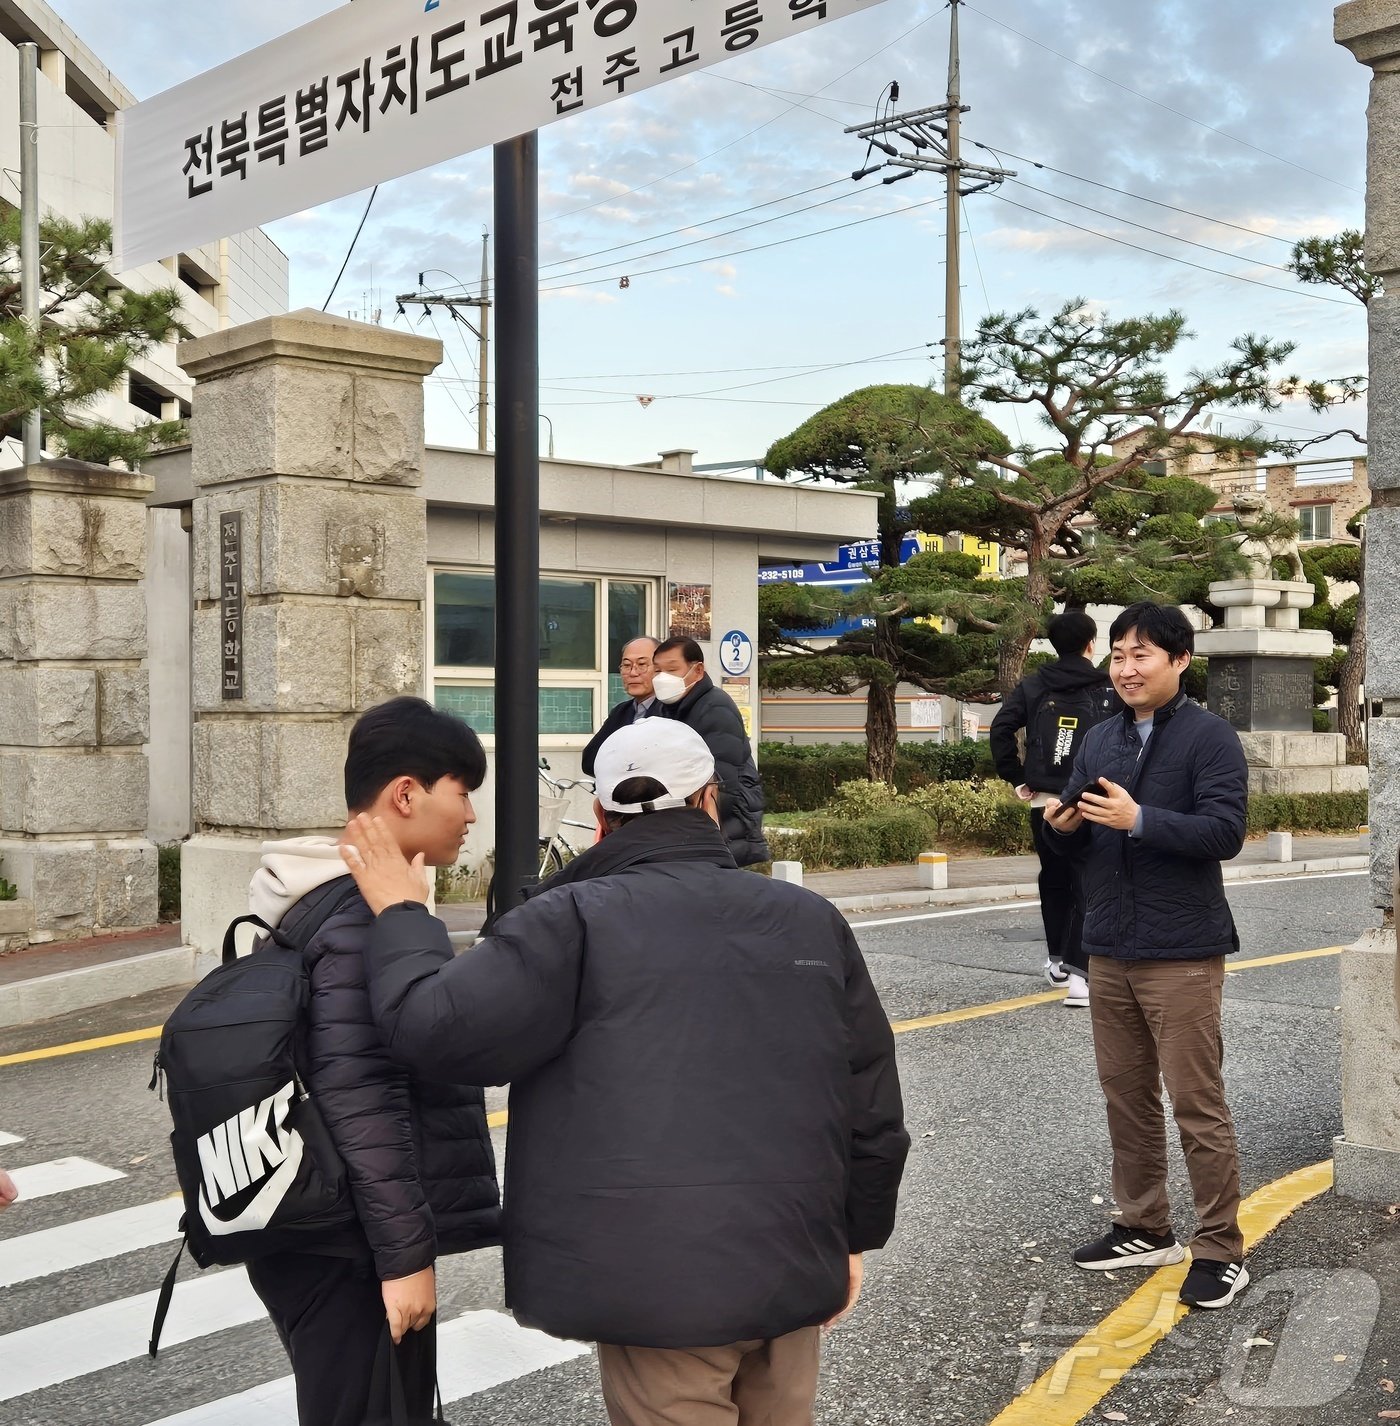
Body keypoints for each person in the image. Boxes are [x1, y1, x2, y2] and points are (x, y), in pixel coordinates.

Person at [339, 718, 910, 1426]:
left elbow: (432, 1028)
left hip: (657, 1291)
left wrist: (399, 911)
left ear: (602, 818)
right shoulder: (808, 919)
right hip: (794, 1263)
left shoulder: (569, 919)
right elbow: (873, 1106)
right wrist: (852, 1237)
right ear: (710, 801)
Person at [246, 696, 502, 1426]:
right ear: (406, 793)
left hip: (315, 1228)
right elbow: (362, 1098)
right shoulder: (362, 918)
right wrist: (403, 1260)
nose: (472, 816)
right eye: (464, 792)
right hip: (349, 1247)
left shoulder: (311, 898)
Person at [1043, 602, 1249, 1310]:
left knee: (1198, 1104)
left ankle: (1220, 1248)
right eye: (1119, 655)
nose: (1127, 668)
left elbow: (1225, 833)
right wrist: (1062, 825)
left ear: (1181, 660)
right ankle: (1144, 1225)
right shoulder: (1099, 739)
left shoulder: (1210, 738)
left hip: (1183, 948)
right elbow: (1079, 836)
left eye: (1142, 655)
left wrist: (1142, 820)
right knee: (1126, 1096)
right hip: (1109, 944)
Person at [990, 610, 1119, 1008]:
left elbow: (1000, 730)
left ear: (1052, 643)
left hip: (1046, 801)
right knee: (1088, 880)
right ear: (1091, 644)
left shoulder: (1034, 684)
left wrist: (1018, 776)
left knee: (1054, 878)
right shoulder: (1107, 685)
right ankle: (1082, 975)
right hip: (1096, 798)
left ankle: (1058, 961)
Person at [650, 635, 770, 866]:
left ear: (697, 670)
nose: (662, 678)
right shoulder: (665, 707)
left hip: (725, 825)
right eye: (657, 671)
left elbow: (720, 779)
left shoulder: (715, 707)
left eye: (672, 669)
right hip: (687, 823)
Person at [582, 635, 662, 777]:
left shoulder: (671, 711)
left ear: (660, 669)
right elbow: (590, 760)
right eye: (626, 665)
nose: (632, 672)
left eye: (642, 664)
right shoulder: (621, 711)